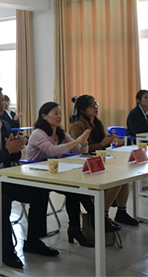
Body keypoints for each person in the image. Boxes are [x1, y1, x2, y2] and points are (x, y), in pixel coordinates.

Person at [0, 85, 58, 269]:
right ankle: (6, 251)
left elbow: (10, 157)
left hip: (3, 177)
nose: (2, 104)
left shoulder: (5, 125)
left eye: (2, 100)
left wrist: (17, 147)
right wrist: (7, 150)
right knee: (3, 200)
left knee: (40, 191)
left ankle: (33, 241)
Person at [26, 102, 95, 247]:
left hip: (52, 174)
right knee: (74, 190)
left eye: (60, 113)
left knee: (75, 189)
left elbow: (79, 150)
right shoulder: (38, 133)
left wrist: (83, 142)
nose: (59, 116)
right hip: (34, 175)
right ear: (44, 116)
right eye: (55, 113)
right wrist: (76, 141)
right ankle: (94, 219)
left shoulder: (61, 133)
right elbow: (51, 150)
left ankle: (77, 228)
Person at [69, 95, 138, 228]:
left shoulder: (97, 123)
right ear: (82, 110)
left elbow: (101, 145)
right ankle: (102, 216)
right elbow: (79, 150)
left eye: (96, 104)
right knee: (114, 181)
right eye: (92, 106)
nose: (96, 108)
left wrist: (108, 141)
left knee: (123, 178)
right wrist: (102, 143)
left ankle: (121, 212)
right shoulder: (78, 125)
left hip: (98, 161)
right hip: (84, 164)